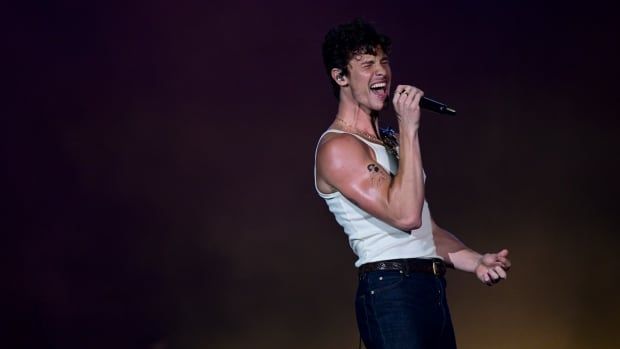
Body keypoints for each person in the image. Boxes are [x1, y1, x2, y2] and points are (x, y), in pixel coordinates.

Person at [314, 19, 511, 349]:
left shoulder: (390, 140)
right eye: (367, 64)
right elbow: (405, 216)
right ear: (340, 76)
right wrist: (409, 128)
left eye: (384, 61)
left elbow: (426, 232)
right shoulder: (338, 147)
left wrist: (475, 260)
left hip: (429, 287)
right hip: (390, 289)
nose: (382, 72)